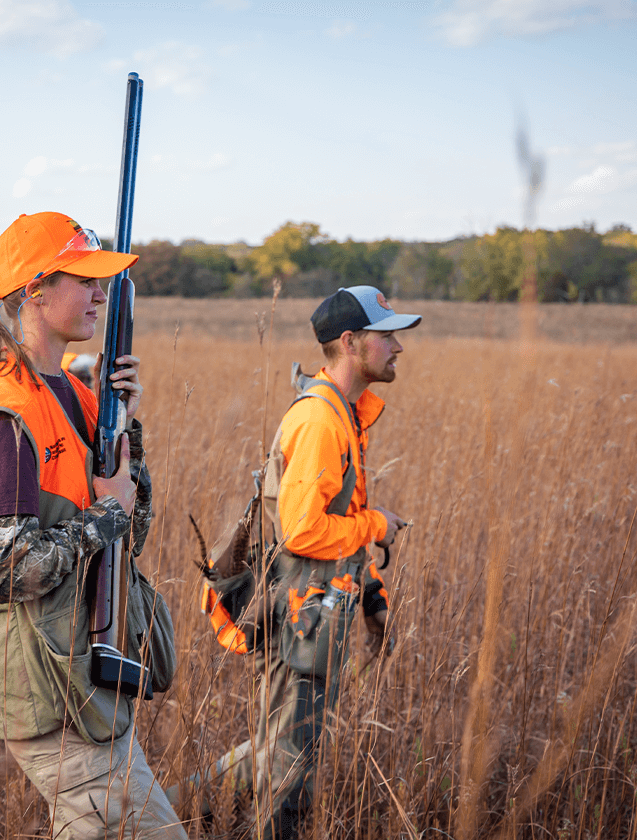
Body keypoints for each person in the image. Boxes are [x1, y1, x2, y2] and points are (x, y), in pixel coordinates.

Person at [0, 212, 185, 840]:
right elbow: (4, 571)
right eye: (84, 279)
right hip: (46, 683)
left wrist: (125, 428)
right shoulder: (9, 414)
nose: (101, 293)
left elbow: (131, 533)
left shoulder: (77, 396)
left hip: (78, 671)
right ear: (35, 291)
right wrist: (104, 514)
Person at [185, 286, 419, 839]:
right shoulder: (320, 421)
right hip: (302, 621)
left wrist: (371, 591)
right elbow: (302, 530)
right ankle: (160, 815)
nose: (398, 347)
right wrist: (378, 525)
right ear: (350, 341)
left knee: (281, 751)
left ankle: (164, 812)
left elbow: (334, 518)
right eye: (387, 336)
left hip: (314, 617)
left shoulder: (343, 413)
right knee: (290, 770)